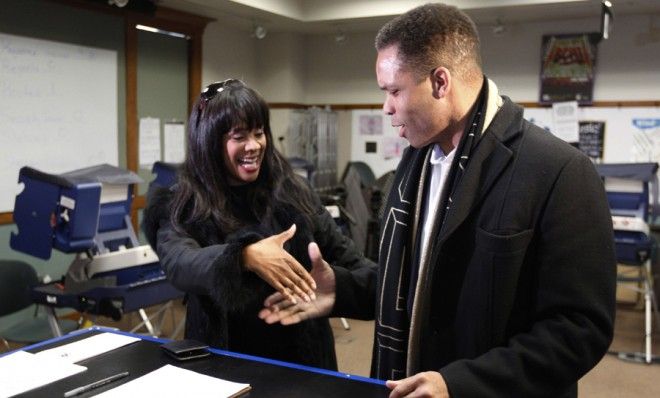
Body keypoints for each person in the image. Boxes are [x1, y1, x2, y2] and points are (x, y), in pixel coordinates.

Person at [259, 3, 617, 397]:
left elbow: (579, 329)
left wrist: (461, 384)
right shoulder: (416, 162)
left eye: (394, 90)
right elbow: (421, 280)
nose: (386, 107)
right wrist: (341, 291)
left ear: (440, 83)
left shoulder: (560, 171)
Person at [142, 79, 376, 370]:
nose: (253, 146)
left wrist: (339, 290)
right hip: (224, 361)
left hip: (304, 363)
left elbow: (359, 267)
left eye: (259, 132)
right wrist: (243, 257)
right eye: (239, 136)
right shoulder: (182, 201)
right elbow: (179, 262)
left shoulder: (293, 192)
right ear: (209, 141)